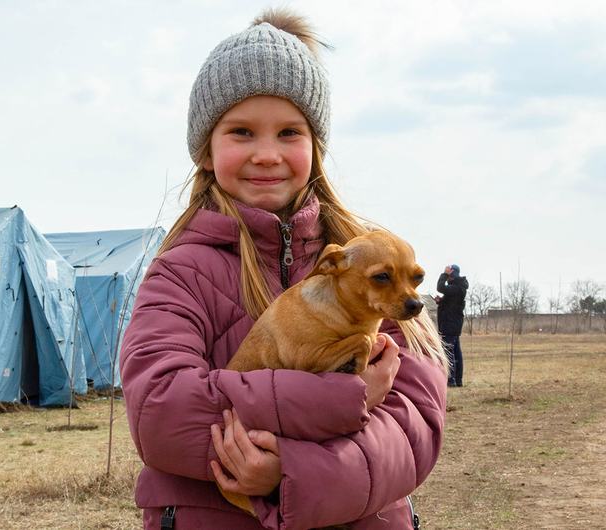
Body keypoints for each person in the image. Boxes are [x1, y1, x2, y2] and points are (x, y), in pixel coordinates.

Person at [119, 10, 448, 529]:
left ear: (316, 149)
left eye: (290, 132)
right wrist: (347, 396)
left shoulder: (374, 266)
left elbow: (415, 431)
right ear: (206, 150)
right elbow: (160, 416)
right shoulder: (177, 275)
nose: (267, 154)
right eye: (242, 131)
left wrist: (290, 472)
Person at [436, 264, 468, 387]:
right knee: (455, 351)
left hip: (450, 324)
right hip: (453, 324)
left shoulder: (457, 287)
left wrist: (444, 274)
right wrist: (441, 301)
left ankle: (451, 380)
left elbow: (440, 287)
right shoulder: (457, 287)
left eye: (449, 275)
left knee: (448, 351)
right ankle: (457, 380)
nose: (447, 278)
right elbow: (451, 302)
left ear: (452, 274)